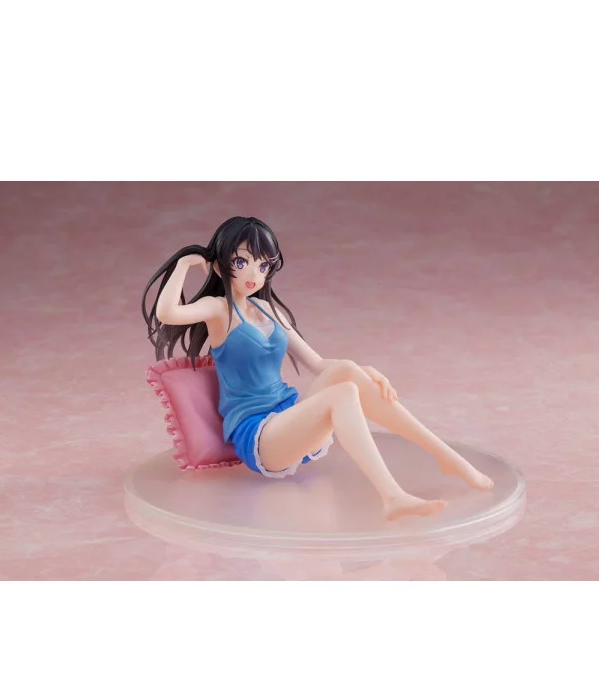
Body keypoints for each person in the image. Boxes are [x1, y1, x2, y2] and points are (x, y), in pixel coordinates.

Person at [142, 216, 493, 521]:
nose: (253, 274)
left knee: (349, 374)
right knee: (343, 393)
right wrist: (185, 262)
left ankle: (448, 458)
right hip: (259, 436)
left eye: (263, 266)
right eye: (241, 261)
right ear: (220, 266)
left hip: (289, 416)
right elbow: (167, 313)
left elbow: (319, 364)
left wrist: (364, 369)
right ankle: (392, 496)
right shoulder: (219, 310)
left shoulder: (270, 312)